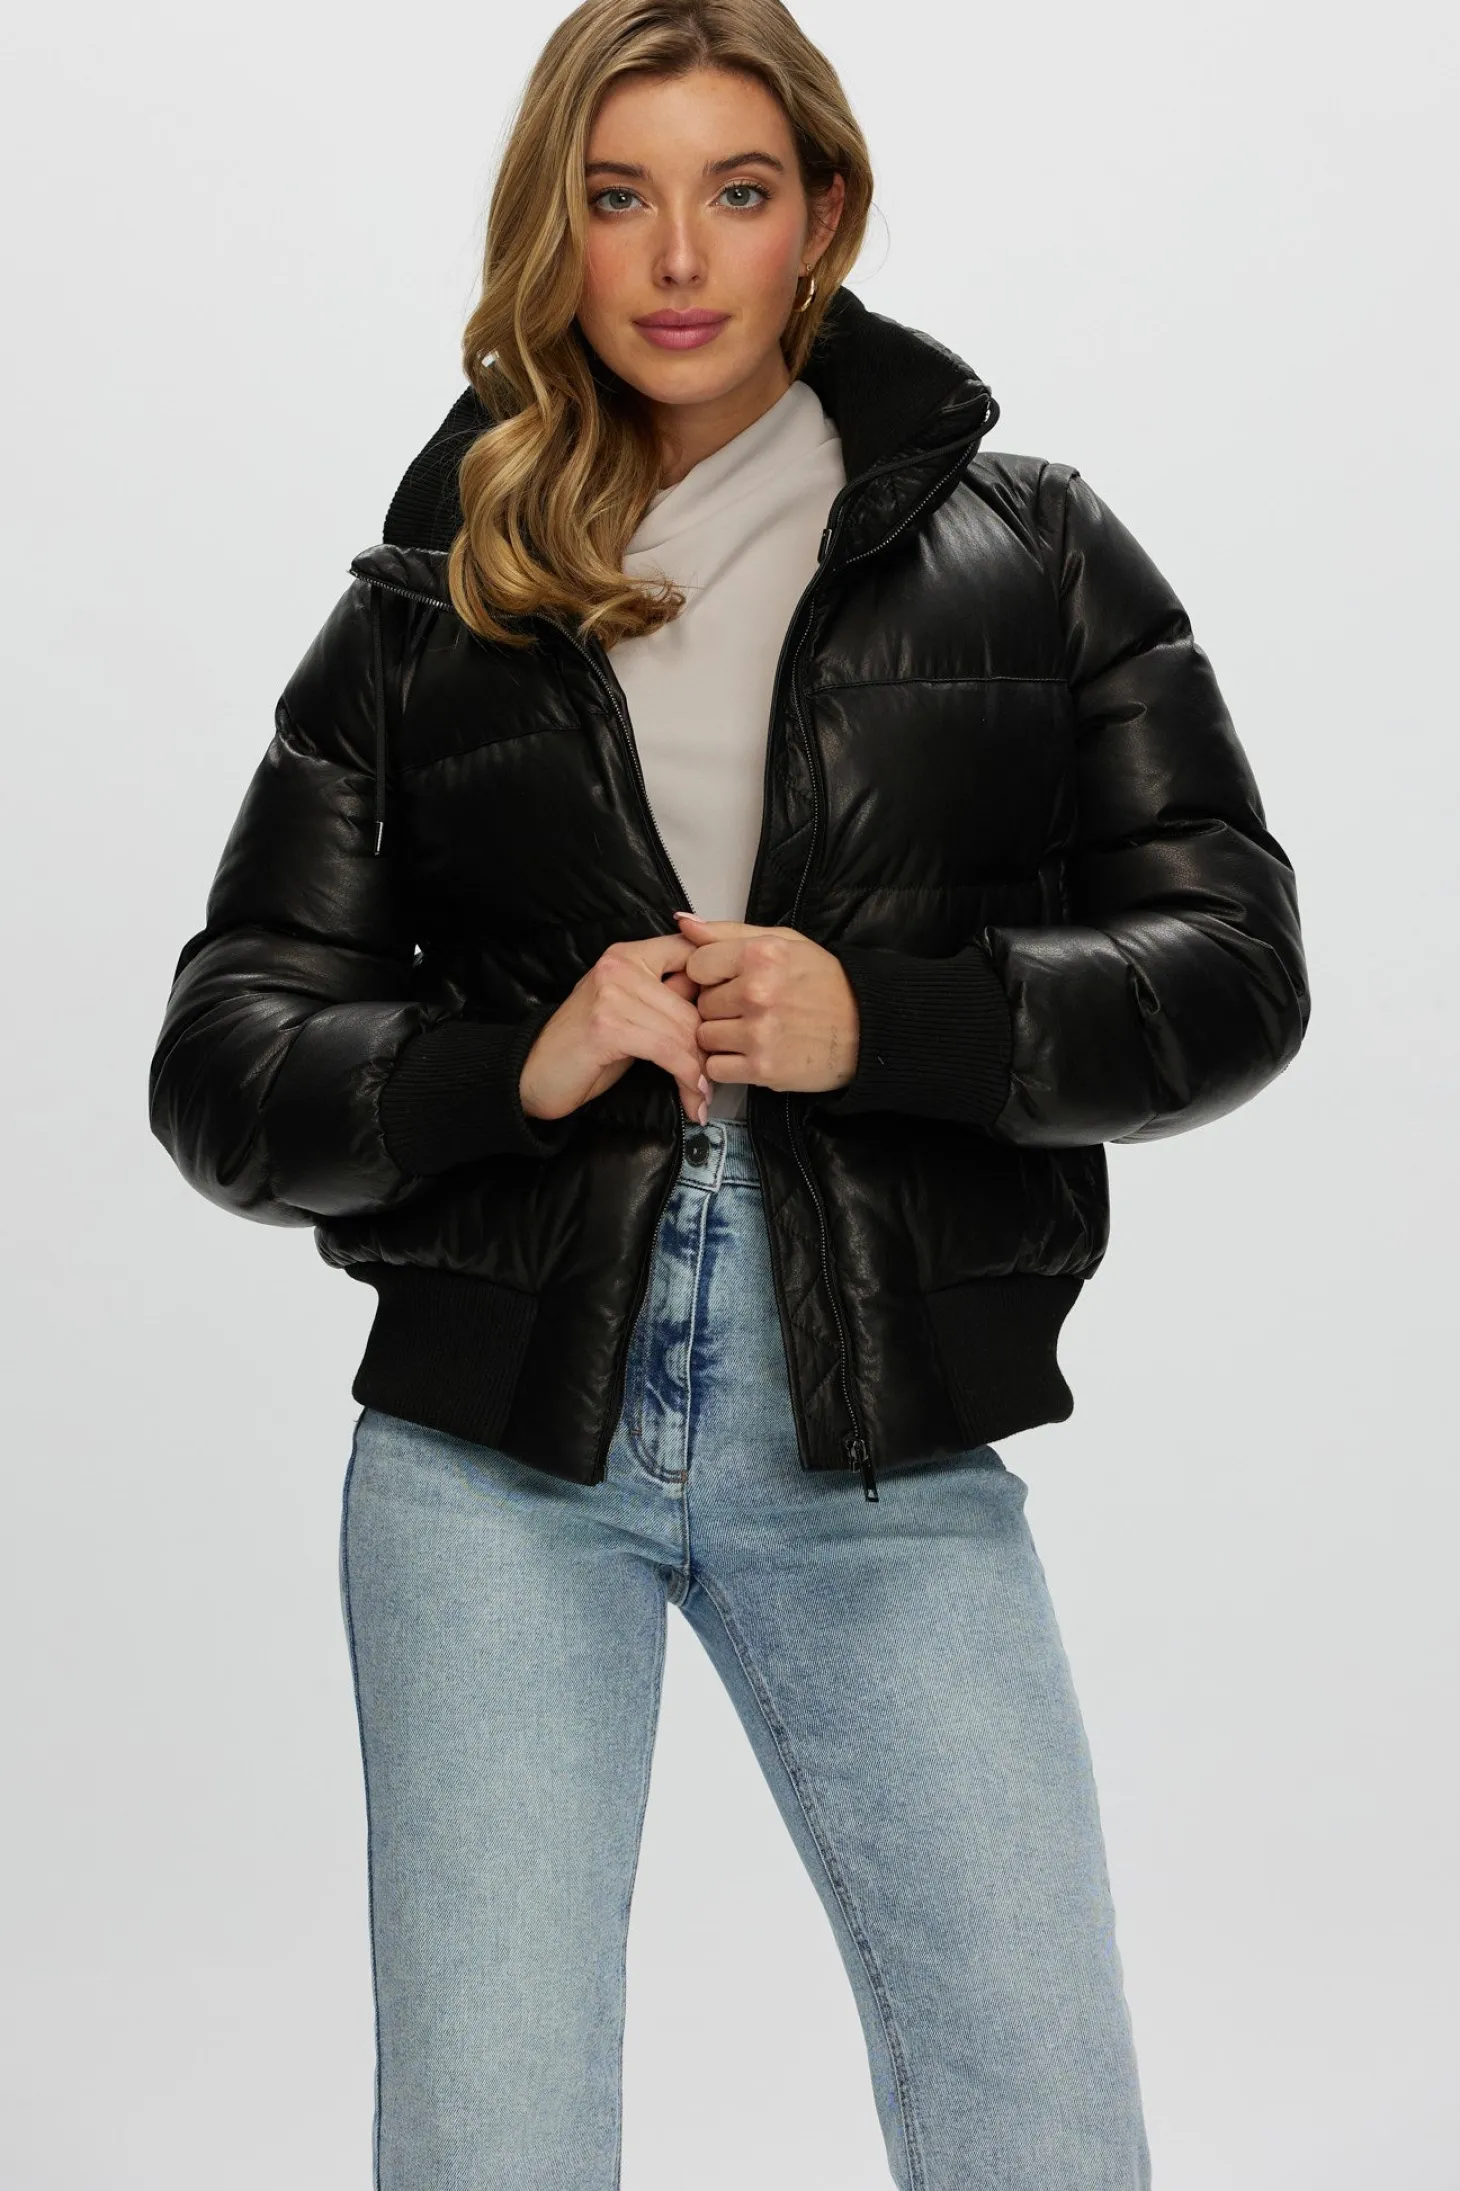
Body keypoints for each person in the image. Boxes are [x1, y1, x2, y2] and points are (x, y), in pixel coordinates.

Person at [148, 2, 1310, 2184]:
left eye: (737, 190)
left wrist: (898, 1023)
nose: (678, 256)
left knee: (1043, 2117)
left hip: (875, 1429)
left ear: (823, 219)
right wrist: (516, 1062)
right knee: (492, 2142)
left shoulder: (1038, 554)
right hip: (493, 1454)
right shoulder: (427, 607)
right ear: (557, 231)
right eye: (619, 197)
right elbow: (225, 1062)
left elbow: (1234, 968)